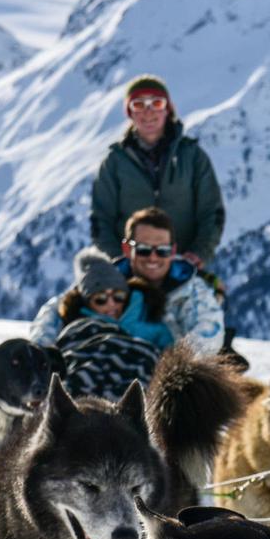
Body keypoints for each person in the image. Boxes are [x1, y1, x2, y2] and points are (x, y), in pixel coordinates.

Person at [29, 207, 224, 354]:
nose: (153, 258)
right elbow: (58, 307)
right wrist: (43, 350)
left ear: (173, 251)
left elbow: (208, 331)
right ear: (127, 249)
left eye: (162, 250)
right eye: (144, 249)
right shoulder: (106, 278)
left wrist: (171, 367)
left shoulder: (190, 289)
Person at [89, 76, 224, 270]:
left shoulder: (192, 156)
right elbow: (101, 219)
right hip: (131, 271)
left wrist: (198, 254)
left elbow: (211, 212)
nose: (148, 111)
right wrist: (118, 259)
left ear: (167, 109)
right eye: (139, 104)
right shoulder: (115, 162)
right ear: (129, 112)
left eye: (156, 103)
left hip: (184, 267)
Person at [50, 248, 163, 399]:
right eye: (101, 299)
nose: (111, 304)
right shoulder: (81, 326)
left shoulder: (148, 318)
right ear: (88, 303)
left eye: (118, 296)